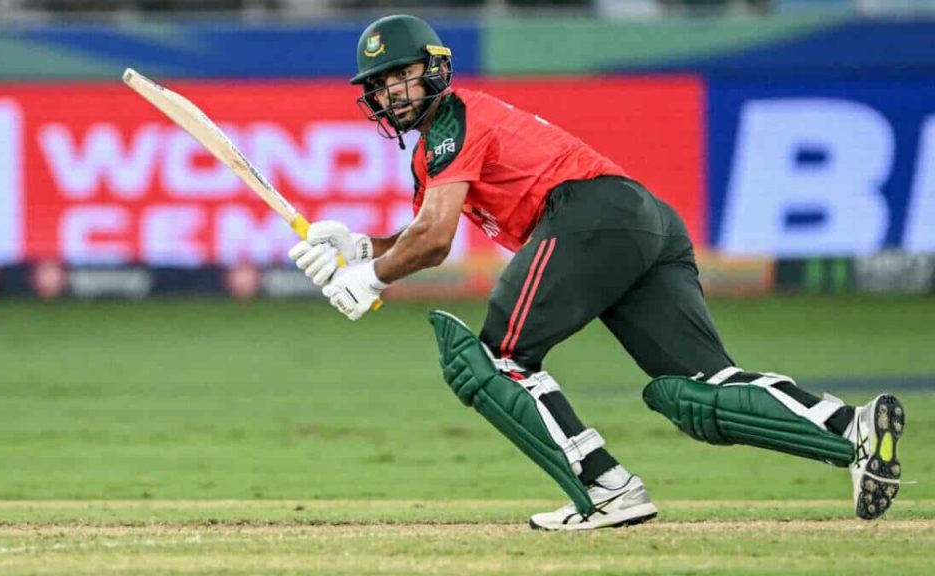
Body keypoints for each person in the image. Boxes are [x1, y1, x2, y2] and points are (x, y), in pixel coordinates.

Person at [288, 14, 906, 530]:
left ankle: (606, 489)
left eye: (401, 75)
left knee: (497, 361)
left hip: (588, 214)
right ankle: (852, 429)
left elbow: (433, 240)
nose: (391, 92)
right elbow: (421, 233)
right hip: (641, 220)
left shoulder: (453, 118)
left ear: (435, 69)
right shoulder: (434, 151)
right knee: (697, 389)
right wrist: (362, 248)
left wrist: (371, 280)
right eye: (380, 84)